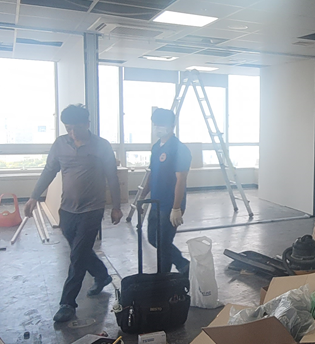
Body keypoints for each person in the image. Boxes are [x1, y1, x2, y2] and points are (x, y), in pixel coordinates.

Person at [26, 104, 123, 324]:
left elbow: (112, 177)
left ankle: (67, 303)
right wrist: (34, 196)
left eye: (76, 128)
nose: (72, 133)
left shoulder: (102, 146)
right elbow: (49, 170)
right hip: (67, 209)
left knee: (77, 257)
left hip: (92, 209)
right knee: (80, 251)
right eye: (68, 128)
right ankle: (101, 275)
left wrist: (116, 207)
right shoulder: (60, 144)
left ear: (87, 124)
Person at [136, 107, 191, 277]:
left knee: (164, 242)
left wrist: (176, 208)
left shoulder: (179, 149)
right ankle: (183, 264)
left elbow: (181, 179)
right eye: (155, 124)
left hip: (170, 204)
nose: (157, 127)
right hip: (156, 202)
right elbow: (152, 174)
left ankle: (163, 278)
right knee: (154, 239)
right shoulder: (156, 147)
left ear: (172, 125)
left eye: (161, 124)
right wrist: (142, 197)